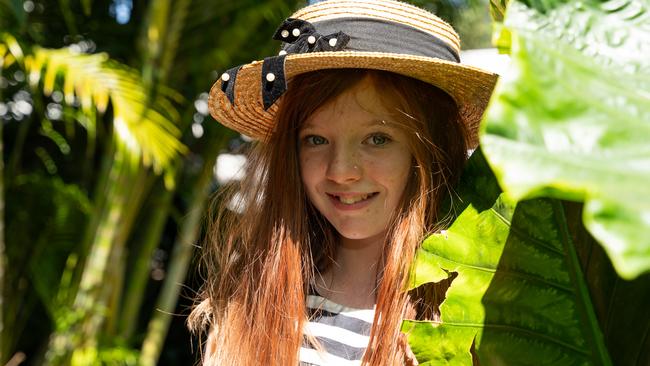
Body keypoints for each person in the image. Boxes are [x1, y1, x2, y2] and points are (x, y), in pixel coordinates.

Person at [189, 0, 496, 365]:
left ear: (432, 151)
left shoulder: (477, 318)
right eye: (316, 140)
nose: (341, 171)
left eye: (377, 139)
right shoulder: (250, 304)